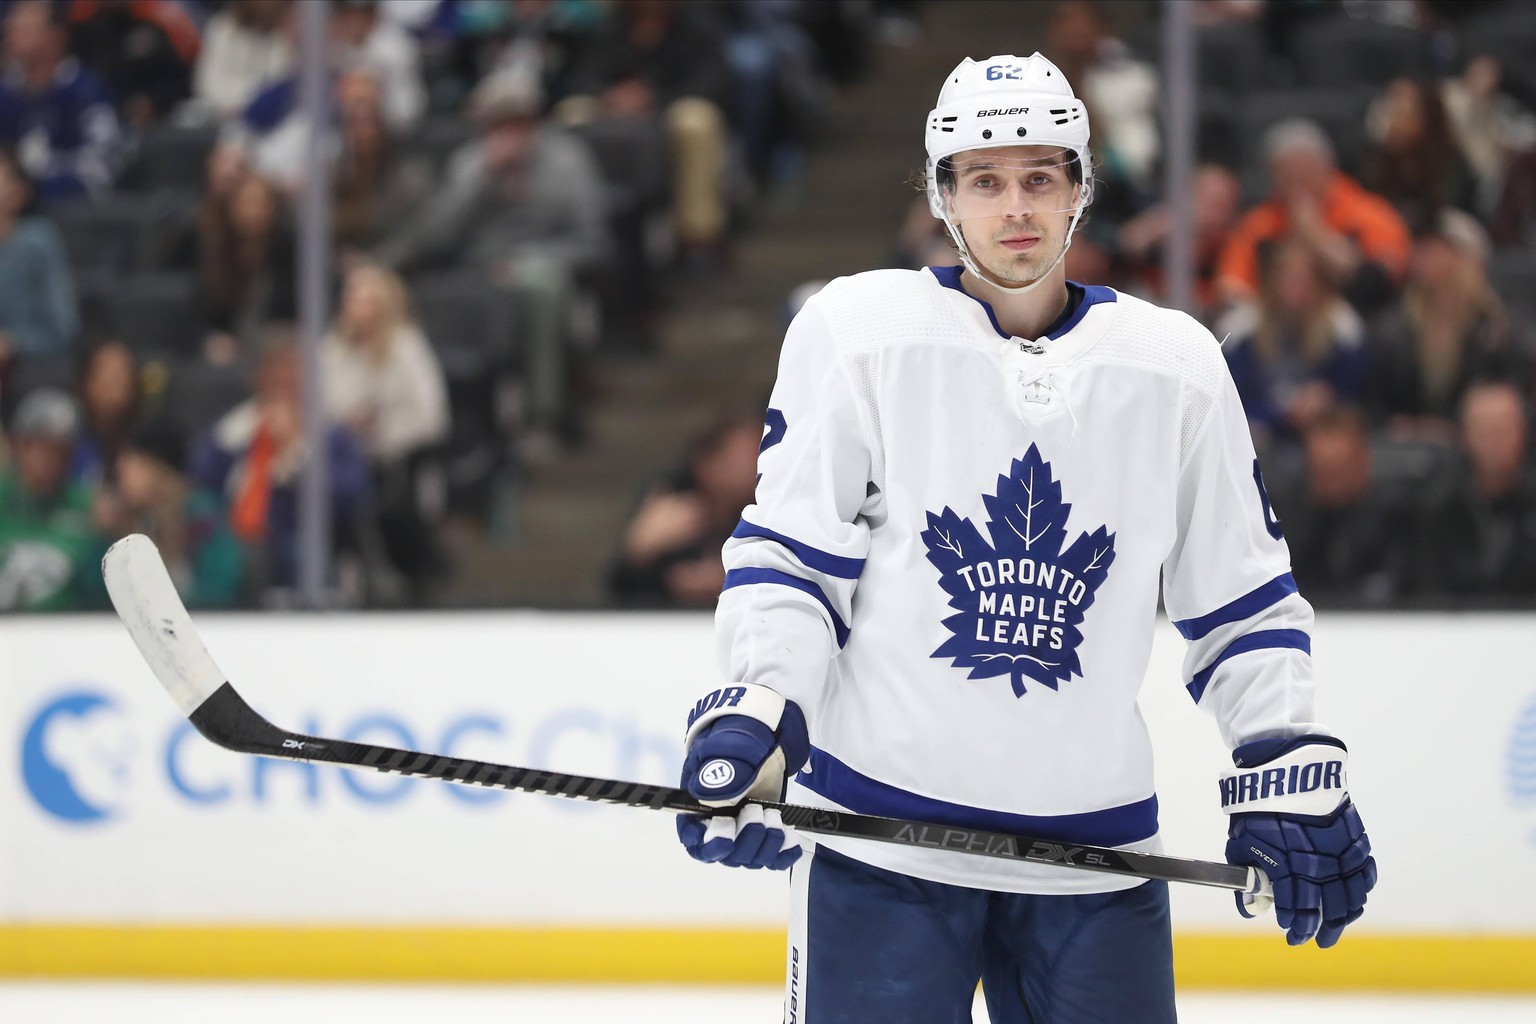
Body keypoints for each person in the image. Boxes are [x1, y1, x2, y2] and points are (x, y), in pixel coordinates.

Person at [674, 54, 1377, 1023]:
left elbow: (1240, 596)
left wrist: (1280, 756)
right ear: (941, 193)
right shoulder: (853, 333)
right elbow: (795, 557)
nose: (1015, 208)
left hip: (1096, 864)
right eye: (985, 179)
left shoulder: (1175, 366)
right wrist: (756, 710)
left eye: (1041, 178)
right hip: (883, 848)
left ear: (1081, 190)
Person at [321, 263, 448, 597]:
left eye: (365, 299)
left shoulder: (407, 347)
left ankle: (390, 571)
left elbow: (430, 417)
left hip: (391, 457)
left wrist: (380, 432)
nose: (354, 306)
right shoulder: (332, 347)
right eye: (351, 297)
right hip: (338, 450)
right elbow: (318, 404)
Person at [1217, 119, 1411, 317]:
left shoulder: (1370, 214)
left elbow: (1376, 282)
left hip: (1354, 320)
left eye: (1305, 171)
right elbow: (1231, 286)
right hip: (1273, 323)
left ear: (1328, 167)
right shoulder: (1258, 224)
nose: (1296, 181)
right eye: (1286, 173)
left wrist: (1314, 234)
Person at [608, 413, 762, 607]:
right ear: (708, 462)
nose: (757, 463)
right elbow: (618, 591)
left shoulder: (764, 511)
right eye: (747, 454)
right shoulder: (670, 506)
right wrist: (639, 551)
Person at [97, 416, 246, 608]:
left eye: (134, 466)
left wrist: (173, 547)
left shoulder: (206, 520)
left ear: (161, 469)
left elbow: (218, 591)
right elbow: (96, 595)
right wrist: (106, 537)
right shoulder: (123, 520)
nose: (122, 477)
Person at [0, 1, 123, 202]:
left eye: (25, 27)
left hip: (73, 213)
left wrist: (35, 187)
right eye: (13, 24)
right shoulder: (5, 92)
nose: (12, 31)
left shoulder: (86, 92)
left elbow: (103, 168)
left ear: (55, 37)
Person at [0, 387, 98, 610]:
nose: (49, 458)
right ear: (18, 445)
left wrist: (106, 534)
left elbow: (95, 587)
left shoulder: (87, 508)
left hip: (61, 632)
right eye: (40, 445)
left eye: (60, 449)